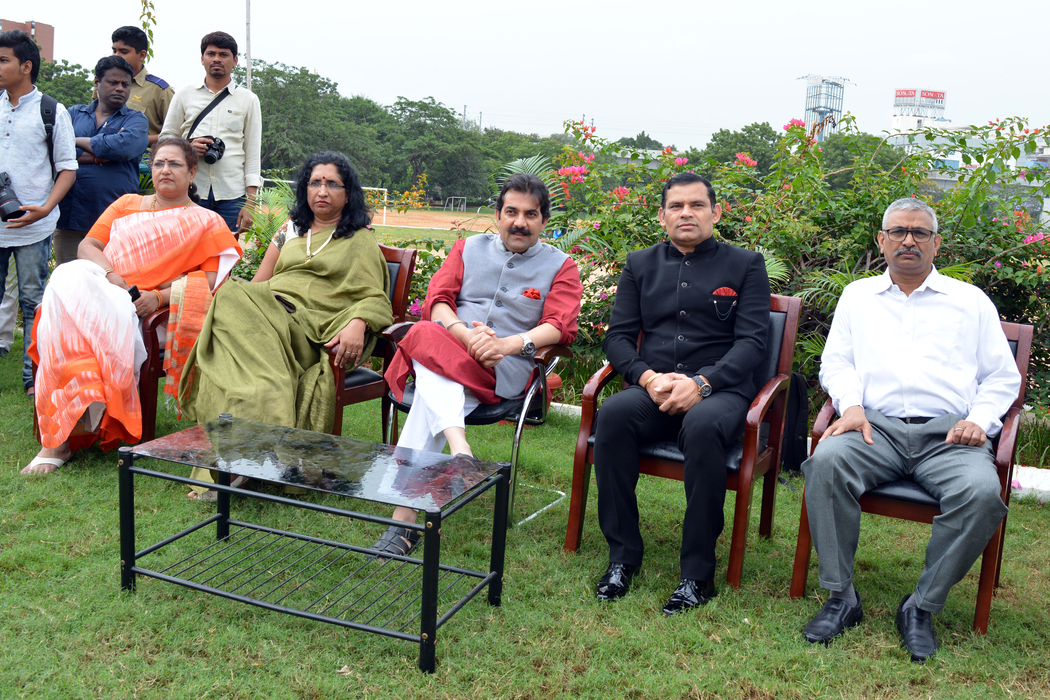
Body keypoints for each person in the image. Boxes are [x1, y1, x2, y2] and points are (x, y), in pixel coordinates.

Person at [800, 197, 1021, 662]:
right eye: (898, 231)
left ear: (936, 244)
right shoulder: (857, 296)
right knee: (826, 464)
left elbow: (1002, 377)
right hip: (873, 428)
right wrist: (851, 406)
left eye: (920, 232)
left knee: (982, 495)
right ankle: (841, 597)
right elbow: (836, 363)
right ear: (881, 240)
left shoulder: (969, 302)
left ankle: (920, 606)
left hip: (949, 437)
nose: (908, 240)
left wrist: (978, 421)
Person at [375, 173, 583, 556]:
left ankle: (409, 513)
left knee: (424, 344)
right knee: (428, 337)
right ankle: (452, 463)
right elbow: (438, 301)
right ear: (497, 215)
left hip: (502, 368)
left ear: (544, 220)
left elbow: (559, 326)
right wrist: (465, 336)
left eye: (531, 214)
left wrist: (505, 345)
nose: (519, 222)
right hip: (452, 348)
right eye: (511, 212)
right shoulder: (468, 248)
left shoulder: (561, 266)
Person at [591, 172, 770, 615]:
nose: (686, 213)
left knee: (703, 425)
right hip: (656, 387)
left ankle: (697, 574)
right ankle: (622, 557)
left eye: (696, 205)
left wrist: (703, 383)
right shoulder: (639, 264)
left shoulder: (746, 264)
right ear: (662, 215)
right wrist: (647, 378)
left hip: (720, 392)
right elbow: (618, 337)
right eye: (676, 206)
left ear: (716, 212)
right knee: (612, 414)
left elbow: (752, 343)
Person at [178, 151, 393, 498]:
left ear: (347, 193)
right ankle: (253, 432)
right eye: (314, 182)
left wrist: (358, 321)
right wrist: (250, 306)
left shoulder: (359, 240)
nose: (322, 191)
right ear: (305, 189)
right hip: (268, 316)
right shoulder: (290, 232)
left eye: (332, 184)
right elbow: (259, 286)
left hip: (306, 329)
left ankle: (239, 463)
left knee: (229, 303)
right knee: (232, 300)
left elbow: (374, 296)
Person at [23, 137, 242, 474]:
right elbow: (88, 246)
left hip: (141, 306)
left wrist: (158, 297)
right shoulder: (127, 203)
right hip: (103, 285)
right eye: (159, 163)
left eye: (174, 164)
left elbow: (209, 281)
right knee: (67, 275)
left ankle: (59, 441)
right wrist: (112, 277)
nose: (165, 170)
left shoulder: (207, 221)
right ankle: (64, 432)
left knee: (69, 320)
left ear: (192, 172)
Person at [0, 30, 77, 397]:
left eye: (3, 60)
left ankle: (34, 378)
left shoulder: (51, 110)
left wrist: (45, 208)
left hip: (34, 225)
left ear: (26, 66)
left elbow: (68, 168)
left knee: (34, 300)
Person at [160, 31, 261, 233]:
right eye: (211, 54)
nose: (216, 59)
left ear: (235, 61)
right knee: (187, 247)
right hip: (190, 189)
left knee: (226, 251)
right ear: (202, 59)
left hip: (232, 195)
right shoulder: (184, 94)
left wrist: (251, 202)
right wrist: (187, 148)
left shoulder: (248, 99)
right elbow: (165, 139)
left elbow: (252, 152)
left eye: (223, 55)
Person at [54, 55, 149, 265]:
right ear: (97, 82)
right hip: (70, 217)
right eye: (113, 82)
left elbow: (124, 147)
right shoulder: (73, 114)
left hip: (115, 221)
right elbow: (56, 151)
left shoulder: (136, 119)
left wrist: (75, 141)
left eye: (125, 84)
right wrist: (102, 156)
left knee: (110, 280)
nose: (120, 88)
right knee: (69, 279)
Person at [106, 25, 174, 146]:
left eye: (124, 52)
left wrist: (135, 139)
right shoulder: (104, 84)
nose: (116, 56)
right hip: (100, 152)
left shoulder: (159, 91)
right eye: (114, 51)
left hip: (143, 155)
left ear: (142, 55)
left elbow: (176, 133)